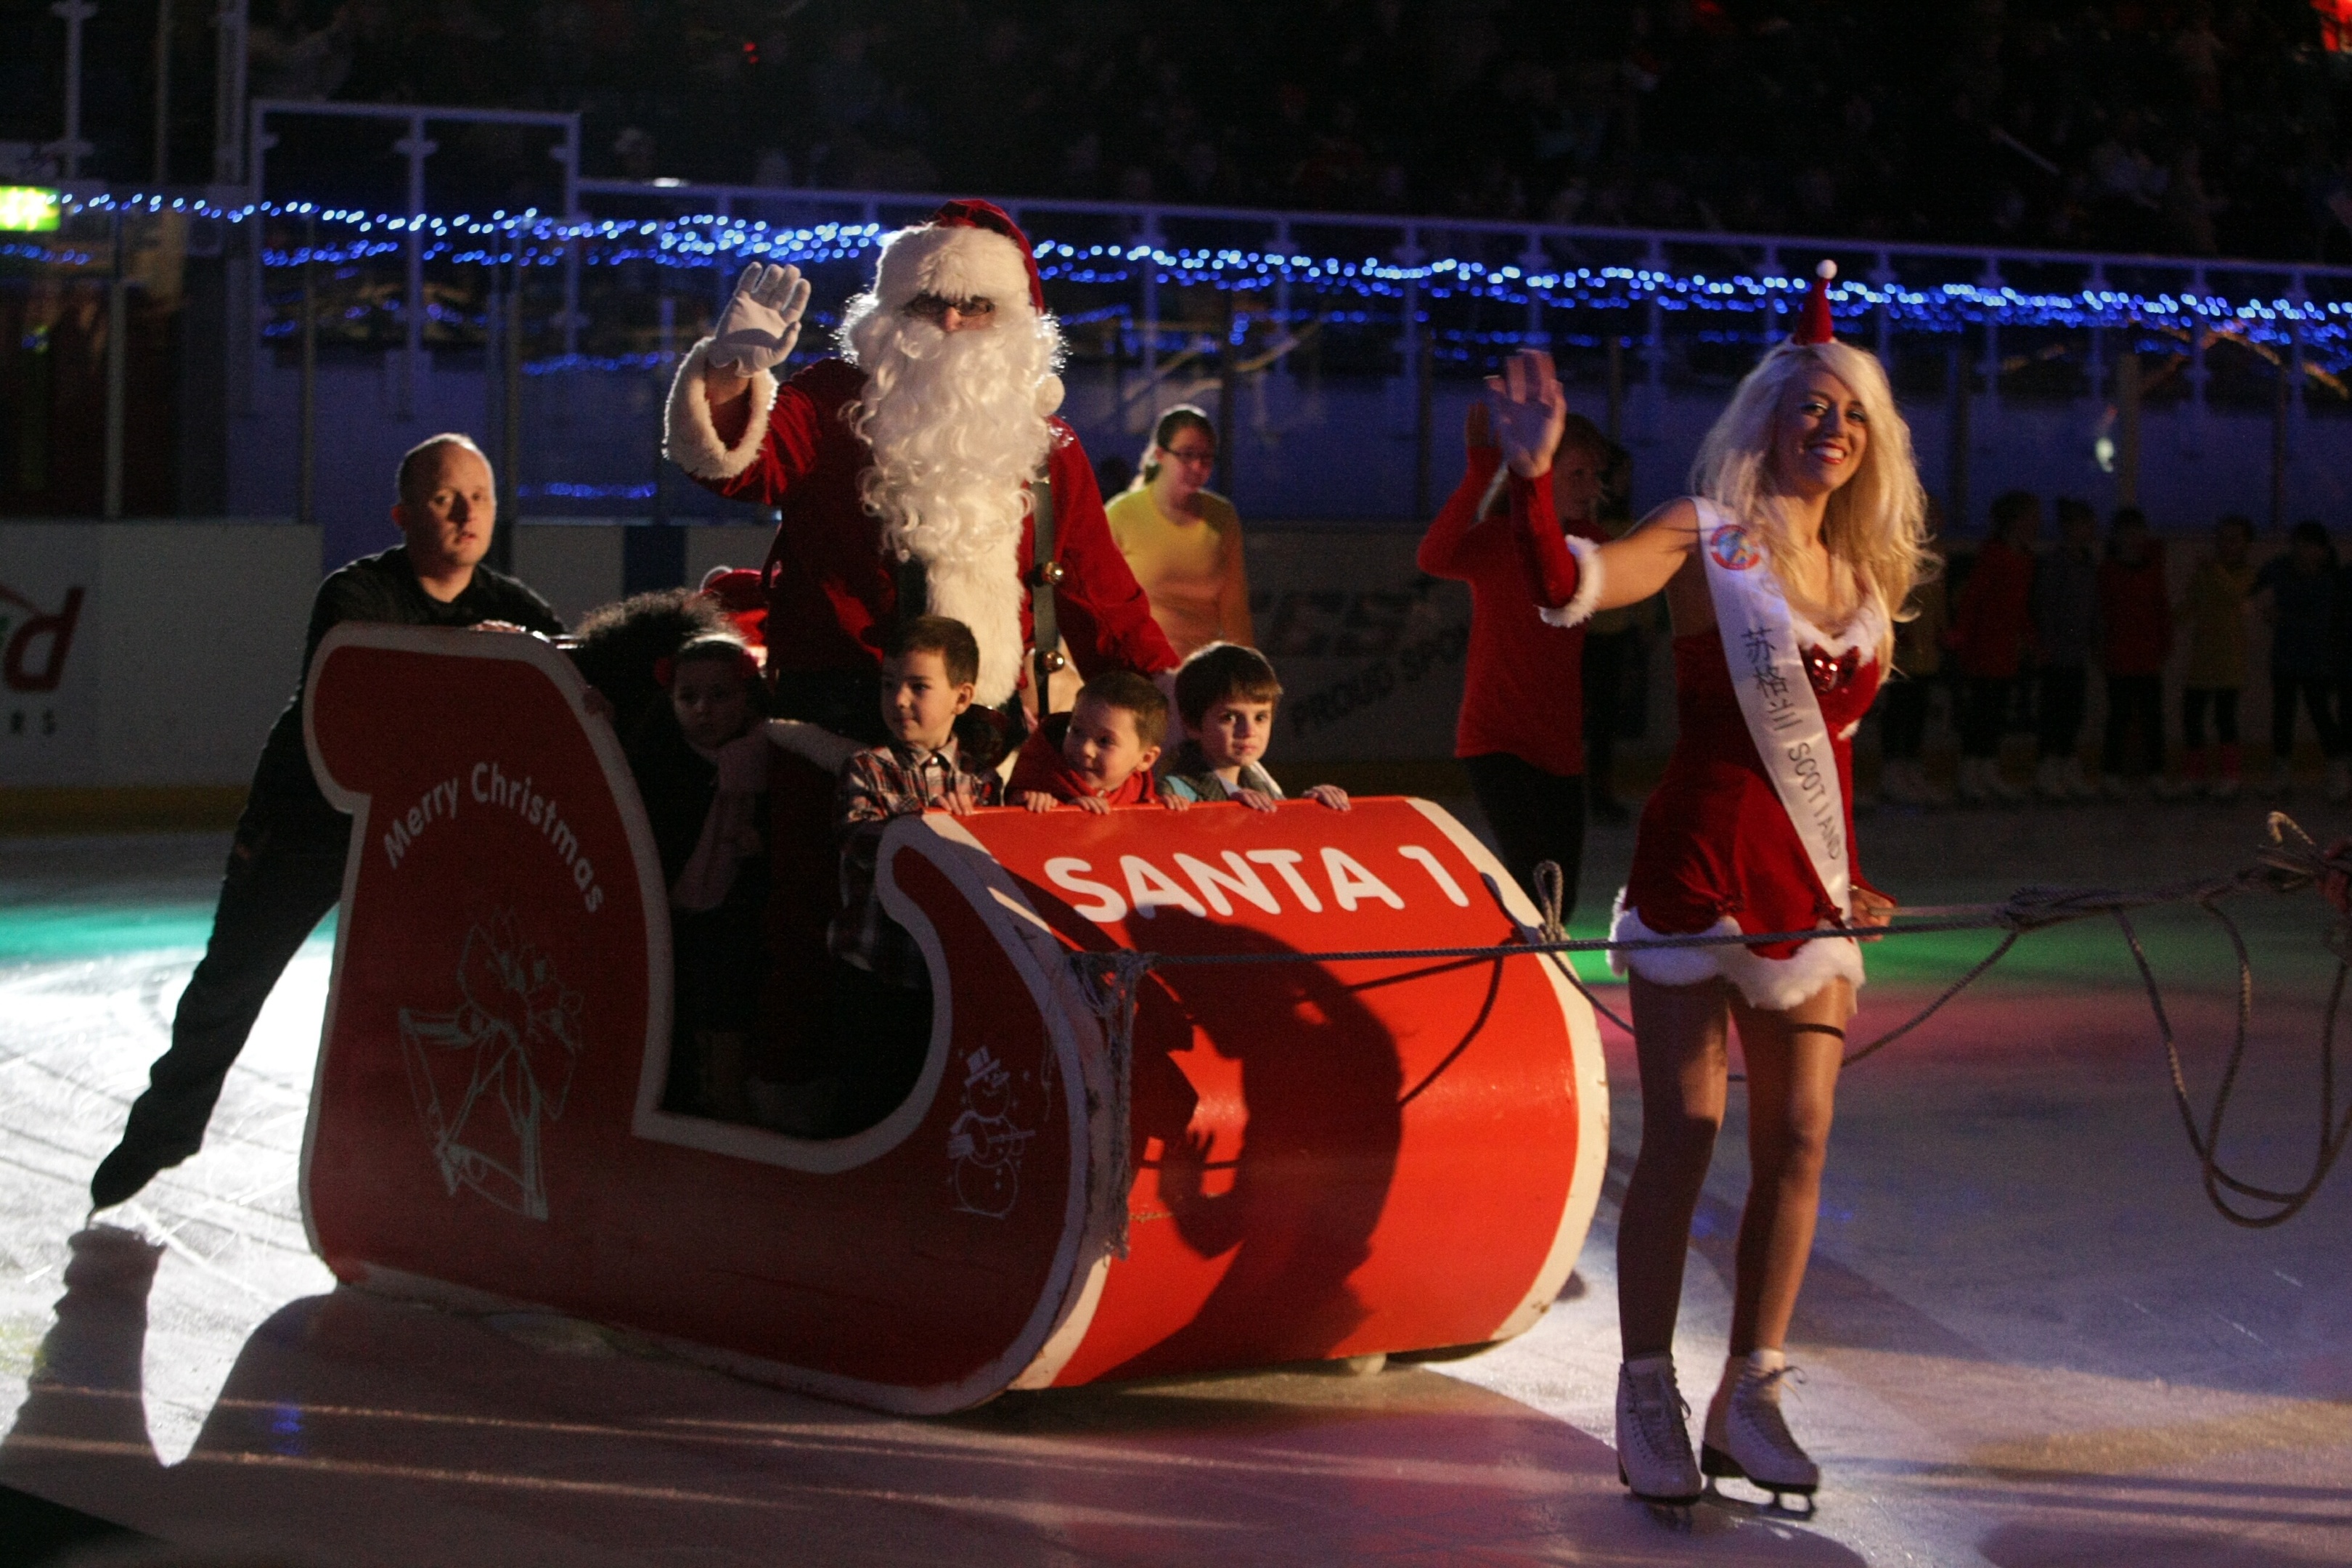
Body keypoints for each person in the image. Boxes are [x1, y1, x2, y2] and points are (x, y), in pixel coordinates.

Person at [1495, 262, 1922, 1508]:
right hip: (1696, 872)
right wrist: (1532, 482)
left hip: (1810, 892)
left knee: (1800, 1138)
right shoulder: (1704, 534)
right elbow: (1571, 588)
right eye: (1812, 407)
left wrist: (1859, 879)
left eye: (1852, 414)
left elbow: (1827, 761)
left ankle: (1750, 1394)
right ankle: (1645, 1390)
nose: (1831, 429)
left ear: (1870, 440)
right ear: (1767, 417)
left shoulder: (1868, 583)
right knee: (1685, 1135)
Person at [91, 434, 563, 1209]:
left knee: (453, 1001)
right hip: (306, 821)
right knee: (230, 981)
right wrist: (473, 654)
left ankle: (425, 1170)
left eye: (479, 497)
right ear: (402, 513)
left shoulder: (513, 610)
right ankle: (160, 1134)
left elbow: (570, 672)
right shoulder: (354, 595)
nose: (465, 513)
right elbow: (367, 681)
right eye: (445, 497)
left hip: (421, 832)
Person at [663, 198, 1177, 743]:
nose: (951, 322)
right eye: (927, 303)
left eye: (975, 304)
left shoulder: (1045, 444)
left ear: (1011, 321)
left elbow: (1103, 599)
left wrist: (1175, 702)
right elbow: (733, 470)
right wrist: (727, 374)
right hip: (832, 723)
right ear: (891, 311)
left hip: (983, 731)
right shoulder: (830, 402)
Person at [1416, 399, 1612, 915]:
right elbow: (1432, 557)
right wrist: (1482, 470)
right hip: (1496, 739)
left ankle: (1533, 977)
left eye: (1597, 474)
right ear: (1541, 473)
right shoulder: (1497, 540)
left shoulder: (1593, 546)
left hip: (1561, 744)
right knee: (1533, 889)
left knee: (1559, 902)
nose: (1593, 487)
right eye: (1579, 473)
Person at [828, 616, 1003, 1133]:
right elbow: (860, 839)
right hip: (874, 970)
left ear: (962, 697)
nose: (899, 700)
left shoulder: (983, 781)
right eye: (889, 685)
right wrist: (933, 828)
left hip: (940, 975)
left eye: (918, 687)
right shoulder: (869, 767)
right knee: (865, 1102)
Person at [628, 634, 772, 1122]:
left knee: (728, 1008)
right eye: (688, 698)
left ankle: (724, 1097)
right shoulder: (657, 756)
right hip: (670, 912)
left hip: (735, 917)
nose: (703, 710)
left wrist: (760, 845)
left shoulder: (770, 754)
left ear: (748, 696)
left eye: (720, 696)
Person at [1106, 405, 1255, 658]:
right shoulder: (1121, 514)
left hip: (1199, 676)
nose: (1198, 466)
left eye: (1207, 457)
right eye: (1187, 455)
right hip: (1137, 672)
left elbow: (1234, 611)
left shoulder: (1223, 517)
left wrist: (1247, 674)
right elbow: (1096, 603)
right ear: (1160, 454)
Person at [1159, 641, 1351, 811]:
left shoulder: (1263, 784)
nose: (1249, 731)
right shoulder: (1172, 790)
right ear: (1192, 724)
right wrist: (1228, 811)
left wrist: (1311, 808)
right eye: (1230, 717)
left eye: (1260, 717)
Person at [1948, 489, 2038, 804]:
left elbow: (2019, 606)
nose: (2036, 523)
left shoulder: (2022, 558)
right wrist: (1962, 633)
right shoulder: (1995, 555)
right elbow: (1974, 598)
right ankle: (1972, 770)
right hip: (1985, 646)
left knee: (1996, 710)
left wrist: (2030, 639)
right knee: (1983, 710)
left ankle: (1985, 769)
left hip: (2005, 648)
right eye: (2031, 517)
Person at [1582, 440, 1653, 825]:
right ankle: (1587, 792)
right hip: (1583, 637)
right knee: (1587, 720)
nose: (1627, 483)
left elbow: (1639, 578)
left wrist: (1644, 624)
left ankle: (1599, 792)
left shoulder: (1625, 525)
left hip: (1612, 637)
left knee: (1605, 723)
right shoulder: (1590, 526)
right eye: (1621, 475)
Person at [1011, 670, 1178, 812]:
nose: (1086, 749)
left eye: (1105, 741)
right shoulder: (1041, 774)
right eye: (1077, 731)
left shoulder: (1143, 792)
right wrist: (1063, 813)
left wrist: (1166, 813)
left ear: (1145, 759)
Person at [2254, 520, 2337, 797]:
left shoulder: (2328, 580)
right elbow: (2259, 586)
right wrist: (2265, 605)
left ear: (2323, 550)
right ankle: (2281, 770)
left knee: (2320, 713)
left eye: (2311, 545)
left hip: (2315, 660)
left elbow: (2318, 620)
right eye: (2300, 545)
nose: (2304, 551)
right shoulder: (2280, 570)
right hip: (2286, 657)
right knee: (2283, 715)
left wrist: (2282, 617)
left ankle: (2337, 769)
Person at [2178, 514, 2257, 801]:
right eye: (2222, 538)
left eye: (2234, 539)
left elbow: (2236, 596)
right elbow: (2190, 606)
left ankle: (2230, 776)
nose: (2226, 545)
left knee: (2225, 718)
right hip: (2202, 660)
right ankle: (2195, 776)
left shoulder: (2247, 575)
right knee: (2192, 717)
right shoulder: (2205, 574)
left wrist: (2214, 571)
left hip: (2229, 660)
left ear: (2246, 544)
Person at [1877, 502, 1951, 808]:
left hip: (1926, 650)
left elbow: (1938, 598)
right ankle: (1893, 769)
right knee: (1899, 710)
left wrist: (1943, 628)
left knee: (1917, 711)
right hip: (1903, 650)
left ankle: (1912, 767)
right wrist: (1896, 631)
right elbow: (1889, 594)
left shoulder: (1936, 553)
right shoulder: (1896, 550)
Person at [2097, 508, 2173, 799]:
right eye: (2127, 533)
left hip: (2147, 654)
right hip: (2120, 654)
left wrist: (2164, 643)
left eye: (2138, 532)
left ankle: (2156, 773)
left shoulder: (2152, 569)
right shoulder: (2108, 571)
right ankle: (2111, 772)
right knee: (2119, 716)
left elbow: (2161, 609)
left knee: (2153, 717)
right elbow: (2103, 614)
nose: (2133, 539)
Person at [2031, 497, 2102, 801]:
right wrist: (2046, 642)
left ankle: (2067, 763)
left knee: (2074, 710)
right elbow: (2046, 606)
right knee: (2054, 710)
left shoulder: (2087, 563)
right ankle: (2049, 767)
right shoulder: (2054, 564)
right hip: (2056, 649)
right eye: (2084, 524)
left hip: (2077, 651)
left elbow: (2092, 607)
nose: (2090, 530)